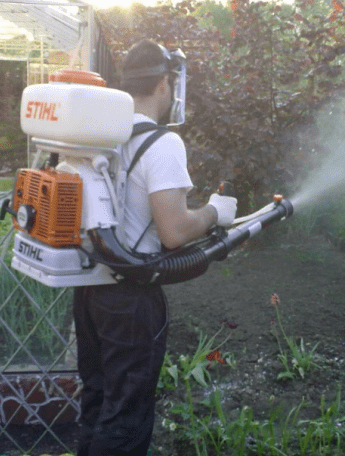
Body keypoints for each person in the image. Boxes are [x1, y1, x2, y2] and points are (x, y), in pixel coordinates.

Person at [72, 40, 237, 456]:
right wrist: (215, 212)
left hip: (91, 289)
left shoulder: (99, 137)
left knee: (97, 396)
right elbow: (175, 232)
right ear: (165, 83)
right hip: (131, 298)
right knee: (126, 414)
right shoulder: (162, 144)